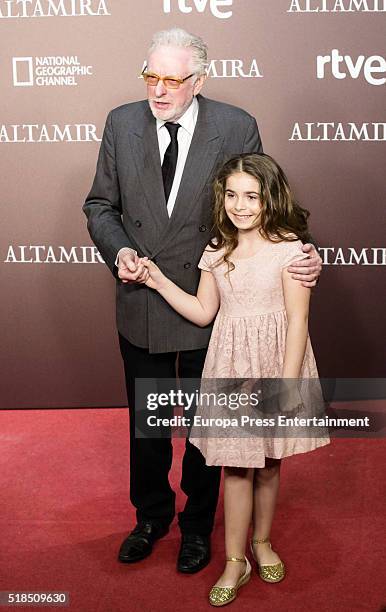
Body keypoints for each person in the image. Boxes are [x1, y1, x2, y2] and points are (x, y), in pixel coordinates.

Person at [83, 28, 322, 574]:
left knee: (206, 430)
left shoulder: (235, 126)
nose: (159, 91)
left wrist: (306, 254)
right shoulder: (122, 122)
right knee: (148, 427)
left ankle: (197, 526)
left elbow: (265, 206)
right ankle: (149, 517)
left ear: (200, 80)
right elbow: (100, 205)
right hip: (141, 299)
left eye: (173, 80)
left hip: (211, 309)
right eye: (151, 77)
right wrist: (119, 252)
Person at [141, 152, 330, 605]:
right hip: (230, 367)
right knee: (237, 465)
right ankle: (234, 560)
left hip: (275, 364)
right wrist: (158, 281)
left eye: (251, 195)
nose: (240, 205)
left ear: (270, 197)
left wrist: (287, 386)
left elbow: (298, 321)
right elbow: (204, 312)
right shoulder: (218, 250)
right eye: (231, 195)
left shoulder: (289, 250)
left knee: (268, 462)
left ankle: (262, 543)